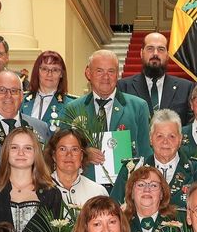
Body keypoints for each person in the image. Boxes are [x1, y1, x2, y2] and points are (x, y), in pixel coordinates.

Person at [60, 50, 152, 185]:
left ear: (118, 74)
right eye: (99, 71)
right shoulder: (73, 109)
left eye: (111, 71)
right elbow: (60, 149)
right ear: (88, 73)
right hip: (85, 186)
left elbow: (146, 152)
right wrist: (84, 153)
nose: (106, 77)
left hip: (126, 188)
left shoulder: (138, 107)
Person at [112, 109, 197, 207]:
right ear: (151, 138)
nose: (165, 142)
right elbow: (113, 211)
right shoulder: (132, 170)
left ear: (180, 139)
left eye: (171, 136)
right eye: (159, 136)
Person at [0, 125, 65, 232]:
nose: (21, 153)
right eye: (14, 147)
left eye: (27, 148)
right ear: (6, 152)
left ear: (36, 153)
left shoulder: (52, 193)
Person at [0, 70, 52, 158]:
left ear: (22, 96)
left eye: (14, 91)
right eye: (2, 90)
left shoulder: (40, 128)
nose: (8, 95)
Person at [117, 32, 193, 124]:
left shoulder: (186, 88)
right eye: (150, 49)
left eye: (161, 49)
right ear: (141, 53)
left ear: (167, 55)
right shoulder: (123, 87)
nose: (155, 54)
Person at [47, 128, 109, 209]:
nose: (69, 154)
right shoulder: (41, 190)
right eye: (62, 149)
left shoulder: (98, 192)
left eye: (74, 149)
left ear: (82, 155)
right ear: (54, 156)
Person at [23, 50, 77, 130]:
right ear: (37, 71)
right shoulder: (21, 100)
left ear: (61, 74)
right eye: (45, 69)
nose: (49, 74)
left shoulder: (71, 105)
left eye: (55, 70)